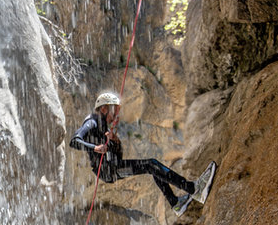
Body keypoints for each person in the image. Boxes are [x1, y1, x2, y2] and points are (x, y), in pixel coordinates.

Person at [69, 92, 216, 217]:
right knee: (151, 165)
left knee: (152, 167)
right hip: (107, 169)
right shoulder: (92, 121)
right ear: (104, 108)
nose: (117, 114)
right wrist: (96, 148)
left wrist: (115, 142)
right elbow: (74, 140)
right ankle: (193, 189)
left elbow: (118, 157)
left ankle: (176, 203)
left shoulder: (103, 128)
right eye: (115, 109)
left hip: (111, 167)